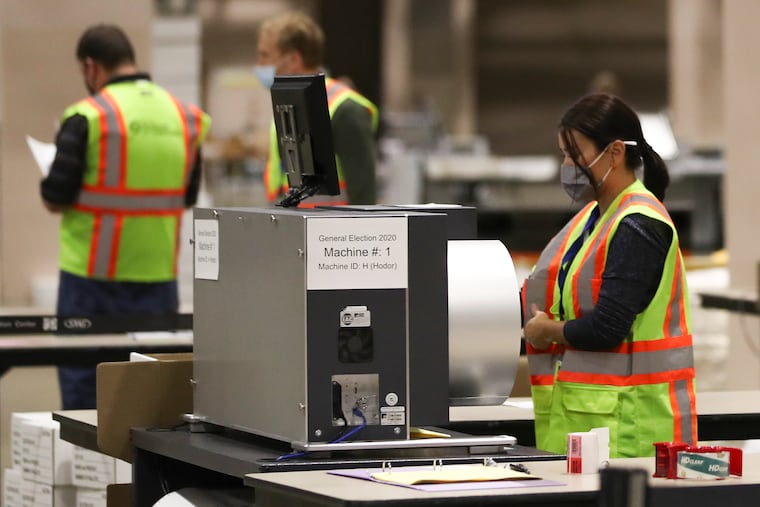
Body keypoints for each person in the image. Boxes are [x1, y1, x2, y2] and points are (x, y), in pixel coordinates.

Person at [40, 24, 211, 409]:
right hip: (158, 280)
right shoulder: (185, 117)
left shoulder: (88, 115)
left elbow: (54, 196)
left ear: (90, 66)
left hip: (92, 282)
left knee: (87, 395)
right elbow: (187, 194)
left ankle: (93, 468)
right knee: (151, 395)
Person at [521, 93, 697, 458]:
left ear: (615, 153)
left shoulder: (637, 225)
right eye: (564, 155)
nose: (568, 165)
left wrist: (546, 331)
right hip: (592, 424)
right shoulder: (592, 220)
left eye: (576, 154)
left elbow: (608, 327)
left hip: (630, 429)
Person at [255, 11, 379, 206]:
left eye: (265, 56)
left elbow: (365, 199)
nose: (259, 65)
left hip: (334, 234)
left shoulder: (346, 110)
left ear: (294, 59)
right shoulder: (288, 106)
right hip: (293, 229)